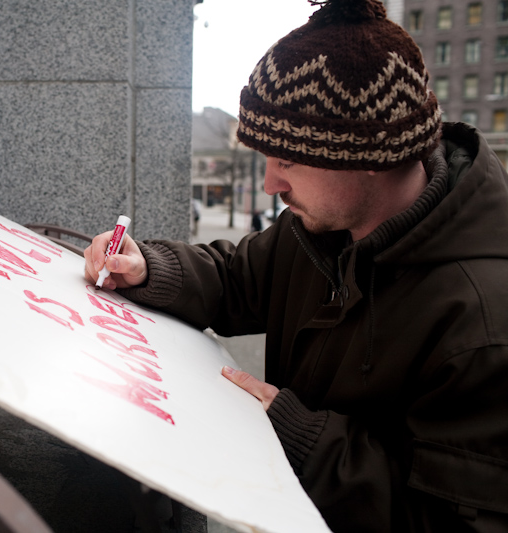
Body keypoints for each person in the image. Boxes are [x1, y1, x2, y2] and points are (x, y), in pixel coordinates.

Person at [84, 0, 508, 531]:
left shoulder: (484, 321)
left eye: (287, 161)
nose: (270, 184)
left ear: (369, 155)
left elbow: (453, 522)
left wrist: (301, 439)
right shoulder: (318, 228)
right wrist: (150, 268)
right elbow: (237, 278)